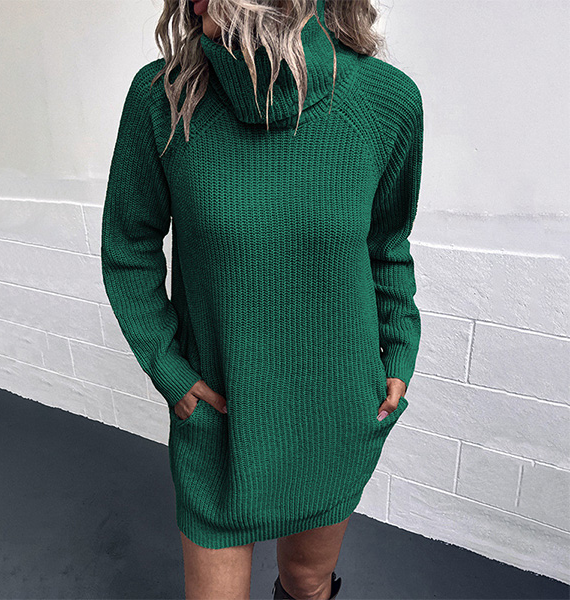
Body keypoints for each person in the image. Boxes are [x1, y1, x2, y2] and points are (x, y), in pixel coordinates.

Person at [101, 0, 423, 597]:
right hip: (221, 423)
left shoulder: (386, 103)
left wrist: (399, 350)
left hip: (336, 416)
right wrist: (168, 368)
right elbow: (129, 244)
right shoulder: (163, 98)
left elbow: (386, 244)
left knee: (306, 581)